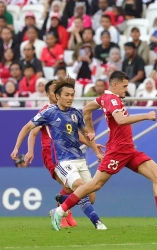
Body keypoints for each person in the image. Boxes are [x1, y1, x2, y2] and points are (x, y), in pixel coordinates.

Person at [50, 71, 157, 231]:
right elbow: (120, 120)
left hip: (129, 150)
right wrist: (146, 115)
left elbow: (86, 109)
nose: (126, 89)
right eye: (124, 86)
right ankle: (60, 210)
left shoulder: (104, 98)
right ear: (114, 85)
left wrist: (90, 131)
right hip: (118, 151)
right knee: (94, 185)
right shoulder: (112, 99)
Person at [11, 77, 107, 230]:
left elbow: (76, 134)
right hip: (54, 154)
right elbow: (32, 132)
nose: (68, 97)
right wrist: (28, 150)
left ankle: (62, 205)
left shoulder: (73, 113)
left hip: (75, 156)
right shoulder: (46, 112)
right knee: (76, 186)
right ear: (52, 94)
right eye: (62, 93)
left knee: (82, 192)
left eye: (71, 94)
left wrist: (93, 145)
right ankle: (76, 215)